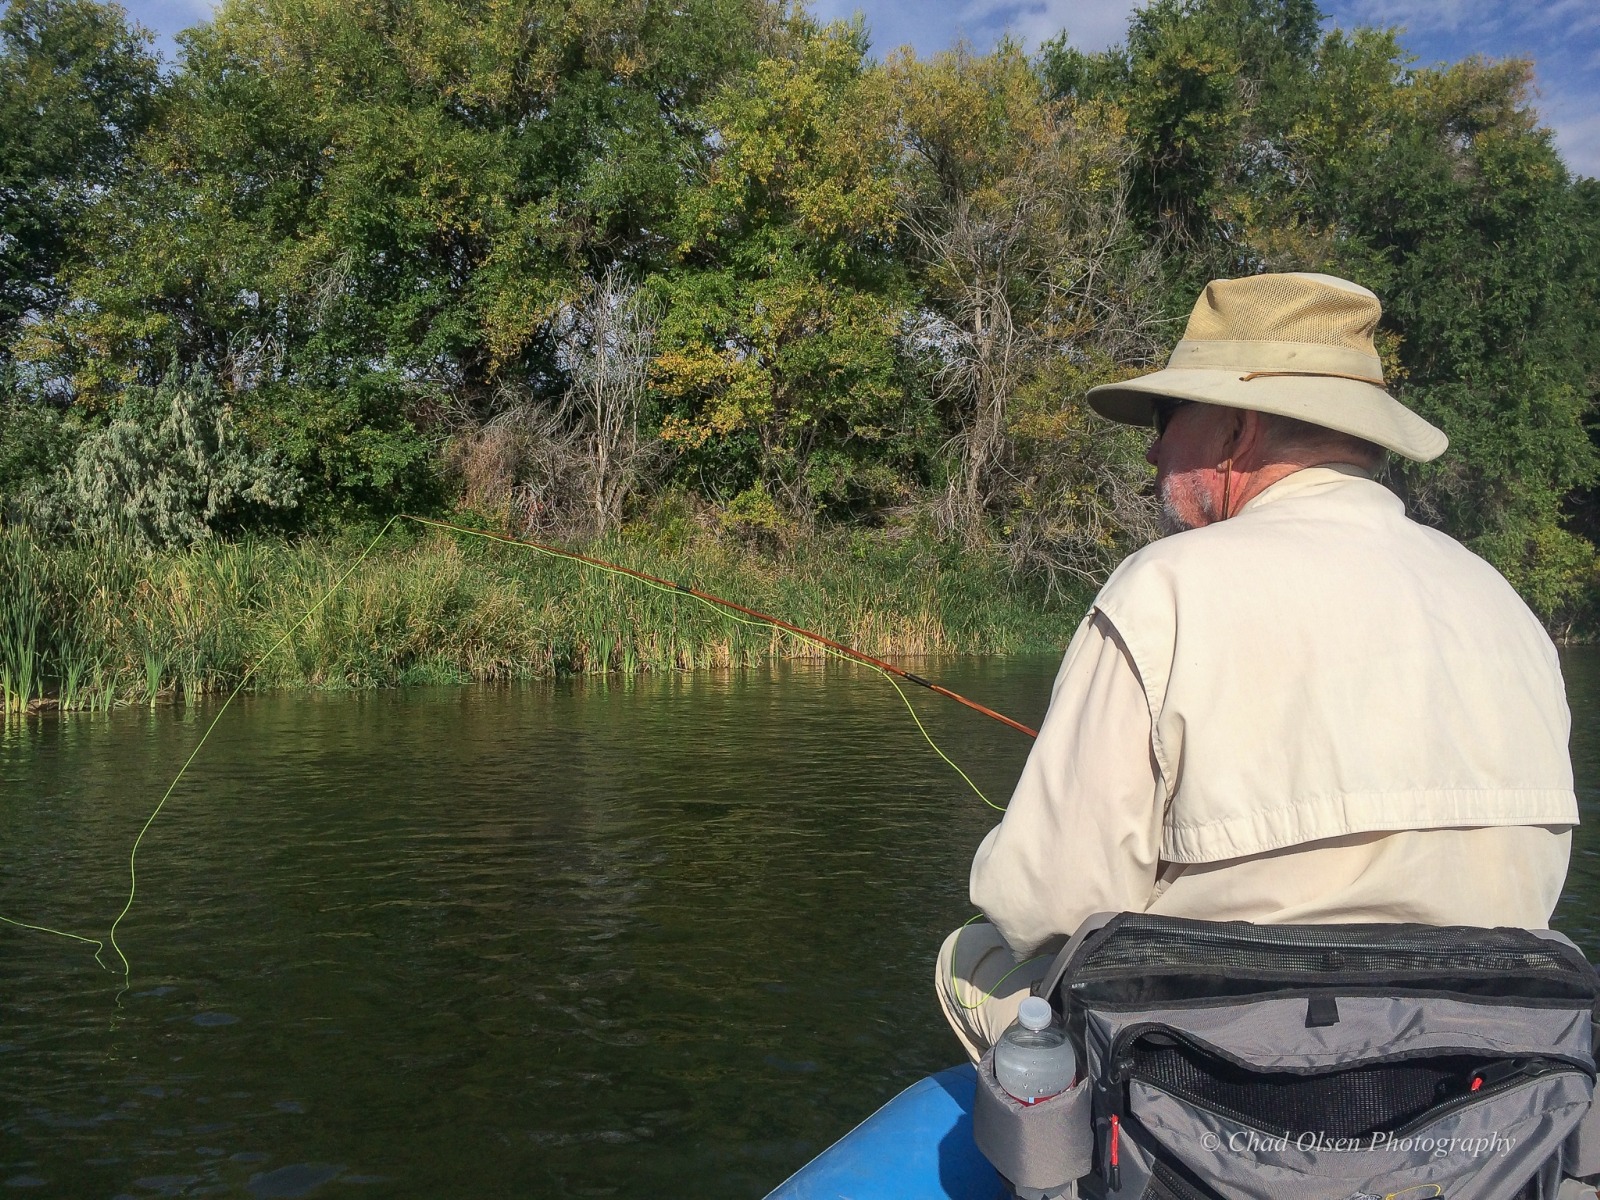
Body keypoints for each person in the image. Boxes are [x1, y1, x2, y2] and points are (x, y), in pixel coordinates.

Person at [936, 271, 1578, 1064]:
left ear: (1237, 430)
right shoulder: (1506, 607)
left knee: (971, 957)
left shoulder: (1162, 589)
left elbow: (1042, 901)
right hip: (1481, 1075)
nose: (1151, 446)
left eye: (1168, 416)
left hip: (1227, 1085)